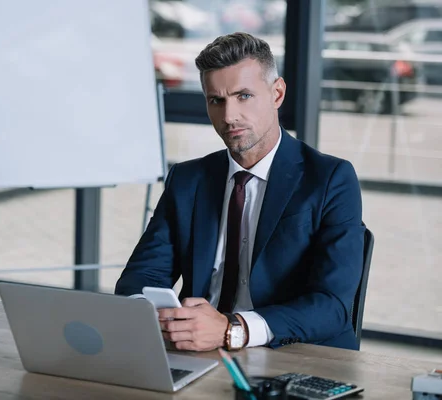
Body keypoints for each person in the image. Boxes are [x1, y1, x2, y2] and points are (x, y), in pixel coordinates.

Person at [114, 32, 364, 351]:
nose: (229, 116)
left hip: (292, 350)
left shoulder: (330, 179)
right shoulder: (187, 179)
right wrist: (154, 317)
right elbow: (141, 276)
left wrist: (233, 329)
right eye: (216, 100)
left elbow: (333, 305)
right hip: (200, 350)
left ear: (277, 94)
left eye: (243, 96)